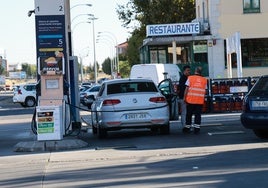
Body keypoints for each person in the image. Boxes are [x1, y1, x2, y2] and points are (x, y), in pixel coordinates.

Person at [183, 66, 207, 134]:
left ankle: (187, 127)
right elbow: (205, 91)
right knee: (198, 115)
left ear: (195, 71)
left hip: (190, 100)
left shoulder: (190, 78)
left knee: (189, 114)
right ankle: (197, 128)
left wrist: (184, 98)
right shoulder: (204, 80)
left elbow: (186, 89)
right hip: (199, 100)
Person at [178, 65, 191, 131]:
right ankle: (185, 126)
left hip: (184, 97)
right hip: (184, 98)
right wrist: (184, 98)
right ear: (184, 71)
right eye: (187, 70)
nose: (189, 71)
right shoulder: (184, 78)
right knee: (184, 113)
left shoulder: (184, 78)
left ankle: (186, 125)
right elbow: (183, 89)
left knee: (185, 112)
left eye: (189, 70)